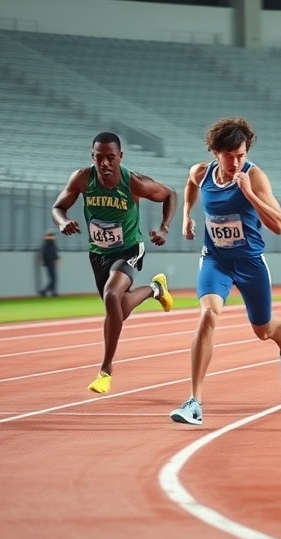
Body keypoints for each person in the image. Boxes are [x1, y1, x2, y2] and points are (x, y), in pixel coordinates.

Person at [169, 117, 281, 426]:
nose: (236, 161)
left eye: (241, 154)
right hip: (216, 261)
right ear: (216, 152)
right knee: (208, 316)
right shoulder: (201, 173)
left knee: (263, 330)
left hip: (250, 263)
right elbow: (190, 185)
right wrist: (187, 215)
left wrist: (249, 194)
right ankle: (194, 402)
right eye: (230, 155)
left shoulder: (254, 177)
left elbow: (279, 225)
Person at [51, 131, 177, 395]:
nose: (105, 163)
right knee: (118, 309)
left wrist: (164, 228)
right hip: (98, 254)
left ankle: (105, 371)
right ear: (92, 157)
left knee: (111, 295)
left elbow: (170, 194)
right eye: (99, 158)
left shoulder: (134, 183)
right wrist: (63, 222)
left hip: (130, 248)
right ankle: (156, 289)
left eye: (110, 158)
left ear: (120, 157)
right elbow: (58, 207)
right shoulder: (83, 178)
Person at [39, 231, 60, 297]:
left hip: (51, 263)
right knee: (53, 279)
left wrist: (56, 260)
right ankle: (45, 291)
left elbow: (54, 254)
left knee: (53, 279)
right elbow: (46, 254)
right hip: (49, 264)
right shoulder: (48, 244)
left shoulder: (51, 244)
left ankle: (52, 292)